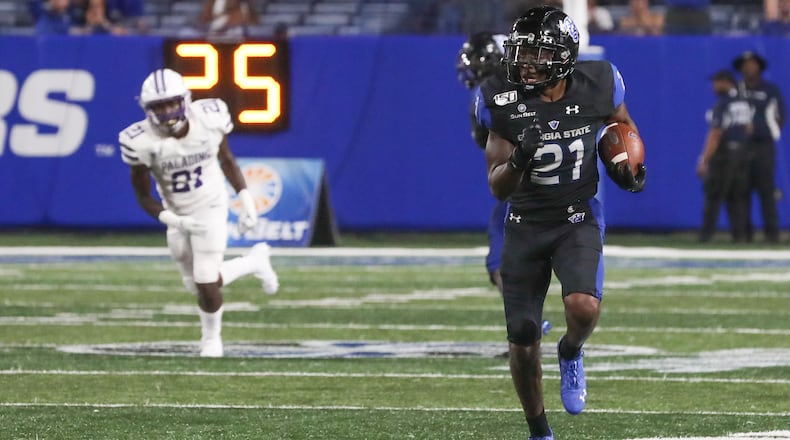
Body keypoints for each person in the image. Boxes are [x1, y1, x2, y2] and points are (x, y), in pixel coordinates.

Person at [475, 7, 646, 439]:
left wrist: (629, 168)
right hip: (525, 220)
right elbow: (498, 187)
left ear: (566, 56)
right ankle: (539, 431)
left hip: (576, 216)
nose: (526, 63)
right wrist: (519, 157)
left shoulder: (600, 83)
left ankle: (570, 351)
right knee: (523, 338)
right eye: (522, 52)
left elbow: (621, 126)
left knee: (584, 306)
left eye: (538, 53)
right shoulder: (499, 95)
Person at [118, 68, 280, 357]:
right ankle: (253, 262)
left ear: (185, 100)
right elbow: (143, 195)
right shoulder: (139, 141)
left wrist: (246, 199)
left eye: (171, 103)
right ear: (147, 109)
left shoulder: (209, 118)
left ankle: (211, 339)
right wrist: (173, 219)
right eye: (159, 106)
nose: (167, 111)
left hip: (212, 205)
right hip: (177, 213)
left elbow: (227, 159)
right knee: (197, 285)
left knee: (205, 277)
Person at [734, 51, 786, 243]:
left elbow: (780, 117)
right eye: (745, 64)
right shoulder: (736, 90)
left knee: (766, 191)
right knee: (741, 191)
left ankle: (772, 235)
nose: (749, 67)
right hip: (741, 146)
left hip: (763, 146)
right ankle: (743, 235)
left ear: (759, 67)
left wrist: (762, 130)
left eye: (752, 64)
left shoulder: (770, 90)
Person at [696, 70, 753, 243]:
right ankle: (740, 236)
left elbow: (715, 133)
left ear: (726, 82)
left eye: (716, 82)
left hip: (724, 155)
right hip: (742, 153)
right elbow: (749, 128)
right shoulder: (743, 103)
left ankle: (706, 236)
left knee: (714, 195)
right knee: (737, 196)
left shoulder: (723, 104)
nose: (714, 86)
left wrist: (704, 159)